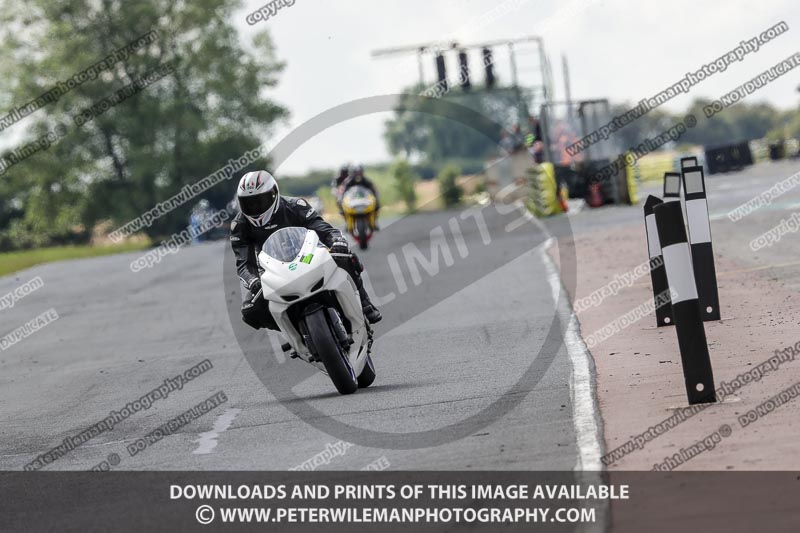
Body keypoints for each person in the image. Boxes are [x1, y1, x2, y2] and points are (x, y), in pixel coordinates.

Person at [231, 170, 382, 331]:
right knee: (250, 311)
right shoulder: (239, 225)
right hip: (272, 270)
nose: (255, 207)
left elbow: (324, 229)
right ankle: (290, 329)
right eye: (249, 203)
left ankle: (365, 304)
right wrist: (253, 281)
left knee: (345, 256)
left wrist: (336, 241)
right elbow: (244, 263)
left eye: (260, 201)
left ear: (274, 194)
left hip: (309, 256)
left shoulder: (295, 206)